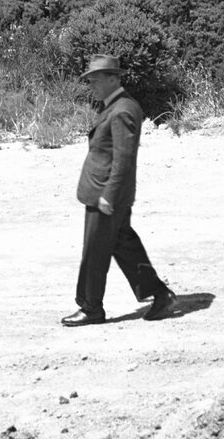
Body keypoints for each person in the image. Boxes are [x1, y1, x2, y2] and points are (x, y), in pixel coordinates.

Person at [63, 55, 175, 327]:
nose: (92, 85)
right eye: (89, 80)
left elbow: (124, 160)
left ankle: (91, 307)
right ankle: (160, 295)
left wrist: (108, 196)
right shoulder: (114, 106)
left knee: (95, 251)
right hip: (105, 193)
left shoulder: (122, 109)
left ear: (114, 78)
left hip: (106, 194)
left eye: (96, 80)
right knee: (123, 246)